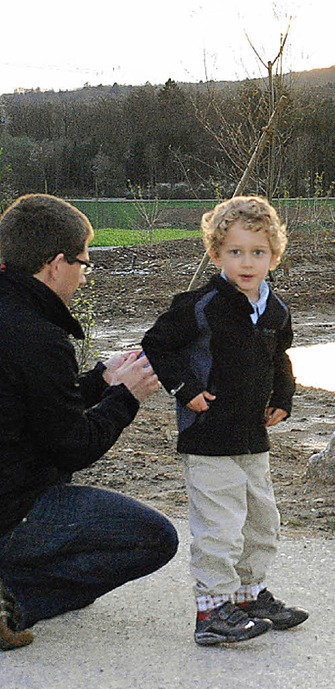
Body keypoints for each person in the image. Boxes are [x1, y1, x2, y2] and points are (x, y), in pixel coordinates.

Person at [0, 194, 179, 652]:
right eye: (82, 263)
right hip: (11, 509)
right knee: (154, 538)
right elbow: (72, 446)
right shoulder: (38, 336)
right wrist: (127, 397)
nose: (83, 275)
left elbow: (36, 407)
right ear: (55, 264)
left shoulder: (16, 319)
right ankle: (15, 599)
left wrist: (101, 380)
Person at [142, 195, 308, 646]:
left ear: (275, 256)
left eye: (258, 253)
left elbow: (280, 359)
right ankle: (212, 610)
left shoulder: (276, 311)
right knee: (219, 526)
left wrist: (284, 397)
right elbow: (157, 344)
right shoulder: (201, 305)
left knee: (261, 520)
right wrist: (185, 388)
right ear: (216, 255)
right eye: (235, 252)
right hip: (209, 435)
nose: (247, 263)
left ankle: (248, 594)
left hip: (252, 437)